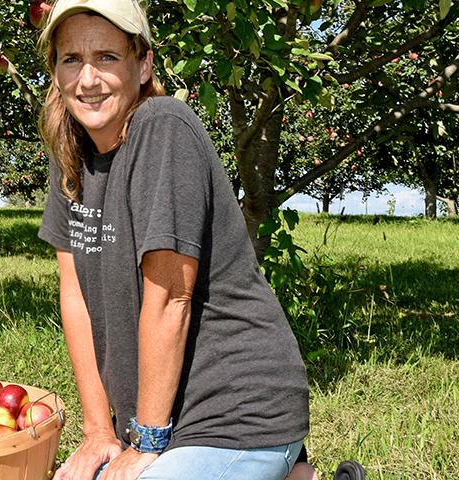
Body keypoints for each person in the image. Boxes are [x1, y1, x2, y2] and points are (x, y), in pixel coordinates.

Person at [34, 0, 317, 479]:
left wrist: (145, 440)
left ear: (142, 64)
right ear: (56, 73)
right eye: (71, 59)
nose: (88, 79)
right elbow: (75, 296)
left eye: (107, 57)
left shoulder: (162, 126)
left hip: (238, 411)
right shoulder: (71, 154)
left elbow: (171, 297)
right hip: (161, 416)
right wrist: (99, 431)